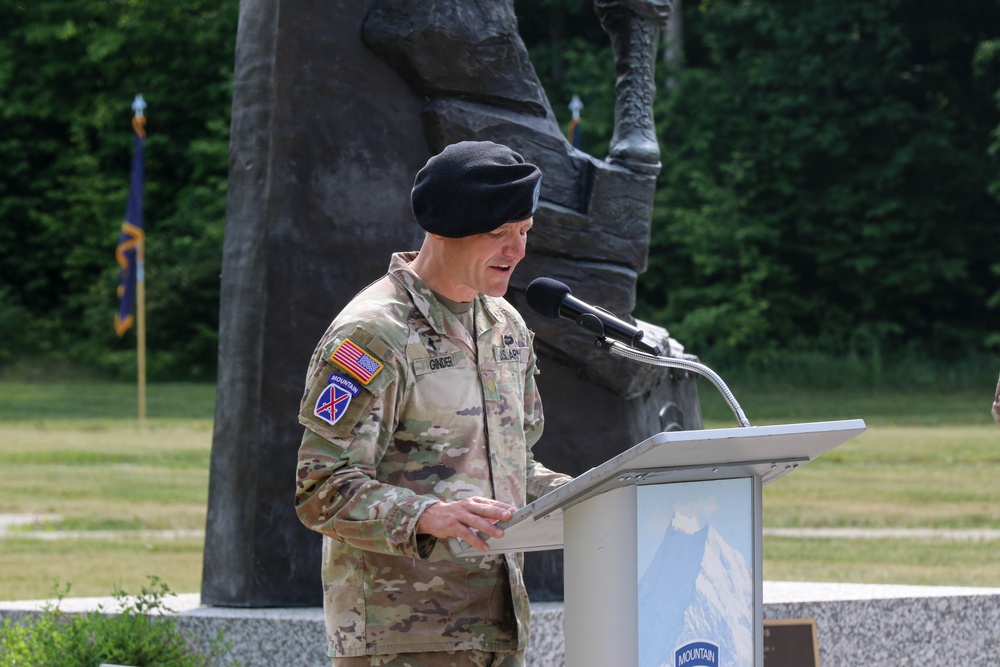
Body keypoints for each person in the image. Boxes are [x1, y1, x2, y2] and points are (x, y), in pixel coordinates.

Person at [295, 140, 572, 667]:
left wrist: (588, 496)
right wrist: (427, 515)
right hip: (402, 637)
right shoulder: (373, 336)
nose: (517, 251)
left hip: (497, 626)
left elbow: (512, 463)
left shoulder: (504, 325)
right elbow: (321, 488)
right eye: (499, 234)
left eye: (524, 232)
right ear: (445, 230)